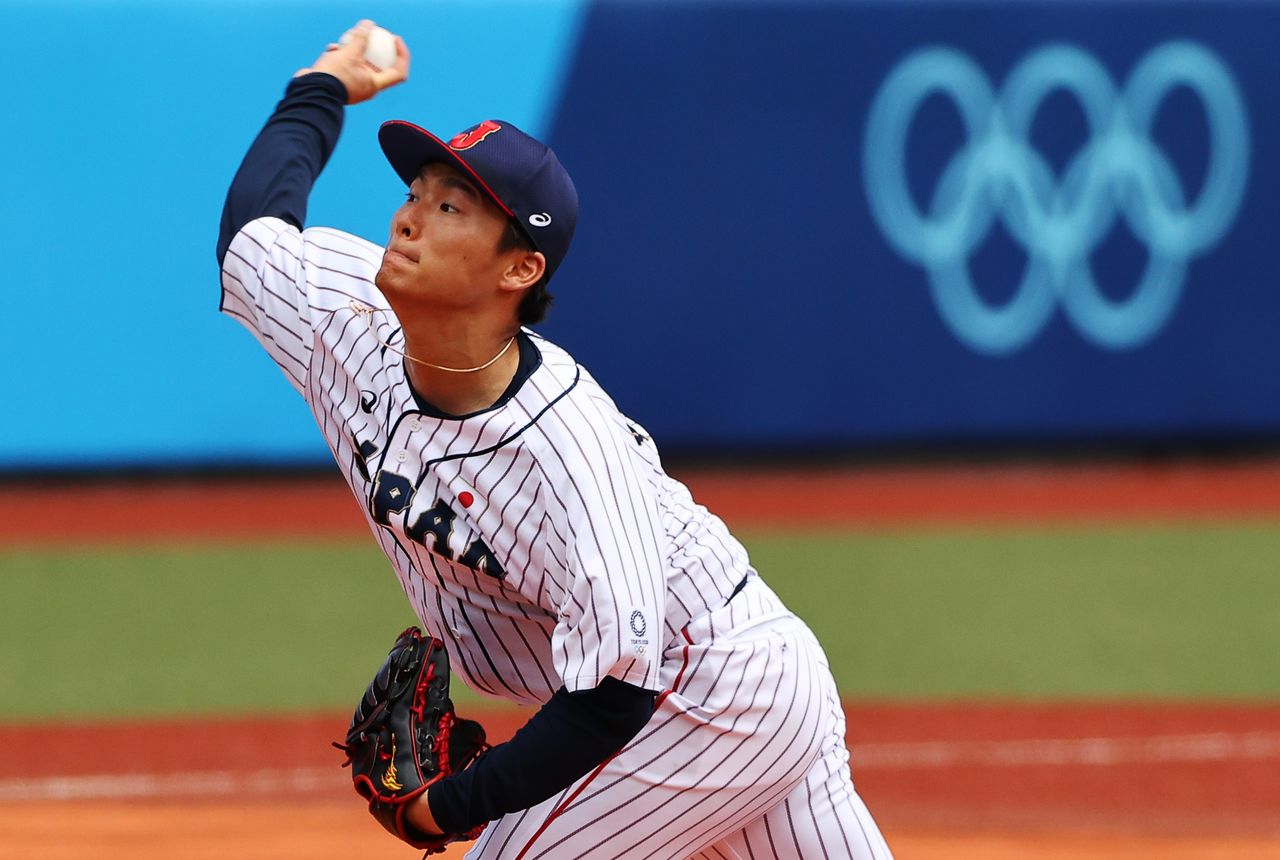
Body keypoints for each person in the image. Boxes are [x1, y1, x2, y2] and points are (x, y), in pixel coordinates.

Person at [217, 20, 893, 860]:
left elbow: (612, 697)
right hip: (700, 685)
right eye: (416, 195)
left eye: (450, 207)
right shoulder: (345, 315)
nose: (410, 220)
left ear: (519, 269)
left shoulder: (566, 448)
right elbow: (252, 237)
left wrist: (451, 807)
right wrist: (322, 85)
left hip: (707, 688)